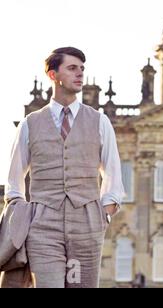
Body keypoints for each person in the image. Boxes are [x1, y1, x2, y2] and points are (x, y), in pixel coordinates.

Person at [4, 47, 124, 288]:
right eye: (72, 68)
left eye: (82, 69)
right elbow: (14, 181)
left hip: (87, 222)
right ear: (52, 75)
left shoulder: (99, 121)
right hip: (43, 225)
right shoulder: (30, 123)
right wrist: (24, 214)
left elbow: (113, 174)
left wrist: (104, 215)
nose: (79, 74)